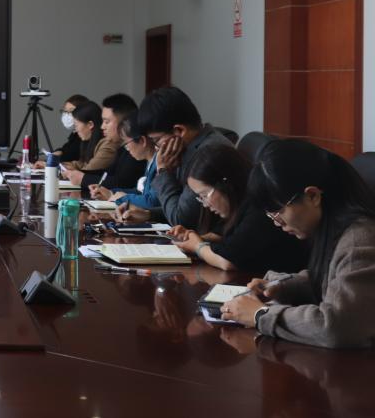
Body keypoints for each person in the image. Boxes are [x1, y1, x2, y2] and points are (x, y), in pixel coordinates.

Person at [220, 140, 375, 348]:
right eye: (271, 215)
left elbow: (337, 327)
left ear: (312, 196)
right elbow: (333, 279)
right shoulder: (333, 228)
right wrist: (282, 286)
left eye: (278, 212)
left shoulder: (358, 240)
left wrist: (260, 314)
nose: (277, 223)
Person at [168, 145, 309, 273]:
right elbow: (221, 234)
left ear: (226, 184)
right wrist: (190, 237)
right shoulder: (238, 203)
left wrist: (197, 246)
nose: (205, 204)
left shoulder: (258, 208)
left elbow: (228, 261)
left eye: (205, 195)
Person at [136, 86, 232, 229]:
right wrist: (148, 214)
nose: (156, 148)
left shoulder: (207, 155)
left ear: (179, 131)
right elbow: (179, 206)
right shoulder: (189, 148)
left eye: (156, 140)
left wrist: (163, 172)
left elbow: (181, 219)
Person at [78, 94, 145, 195]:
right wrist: (79, 173)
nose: (102, 127)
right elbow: (107, 174)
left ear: (124, 122)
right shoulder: (121, 148)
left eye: (106, 122)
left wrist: (83, 178)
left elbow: (123, 183)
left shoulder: (137, 147)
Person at [110, 116, 160, 217]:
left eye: (126, 143)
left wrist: (123, 198)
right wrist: (112, 192)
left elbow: (152, 202)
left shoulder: (159, 163)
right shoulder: (150, 161)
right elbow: (141, 193)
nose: (127, 149)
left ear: (142, 140)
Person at [59, 101, 117, 175]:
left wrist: (67, 171)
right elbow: (81, 164)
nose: (76, 130)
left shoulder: (107, 145)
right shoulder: (89, 142)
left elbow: (89, 171)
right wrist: (58, 165)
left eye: (76, 125)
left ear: (90, 124)